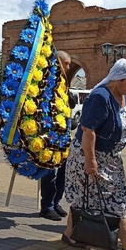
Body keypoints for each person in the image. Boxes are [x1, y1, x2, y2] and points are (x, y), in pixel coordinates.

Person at [62, 59, 126, 250]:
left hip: (111, 158)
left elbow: (125, 123)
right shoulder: (100, 97)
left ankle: (69, 234)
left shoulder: (124, 97)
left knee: (94, 199)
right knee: (90, 198)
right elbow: (88, 130)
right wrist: (90, 161)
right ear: (117, 79)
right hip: (89, 155)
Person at [39, 50, 74, 221]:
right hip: (50, 135)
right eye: (65, 63)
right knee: (50, 172)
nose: (68, 67)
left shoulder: (63, 83)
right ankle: (47, 206)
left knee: (63, 171)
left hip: (64, 134)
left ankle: (56, 201)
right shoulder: (48, 81)